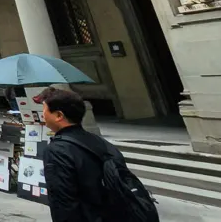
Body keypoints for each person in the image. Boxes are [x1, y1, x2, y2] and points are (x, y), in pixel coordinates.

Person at [41, 87, 152, 222]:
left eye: (44, 111)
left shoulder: (57, 150)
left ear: (59, 115)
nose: (43, 115)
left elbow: (63, 201)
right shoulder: (100, 141)